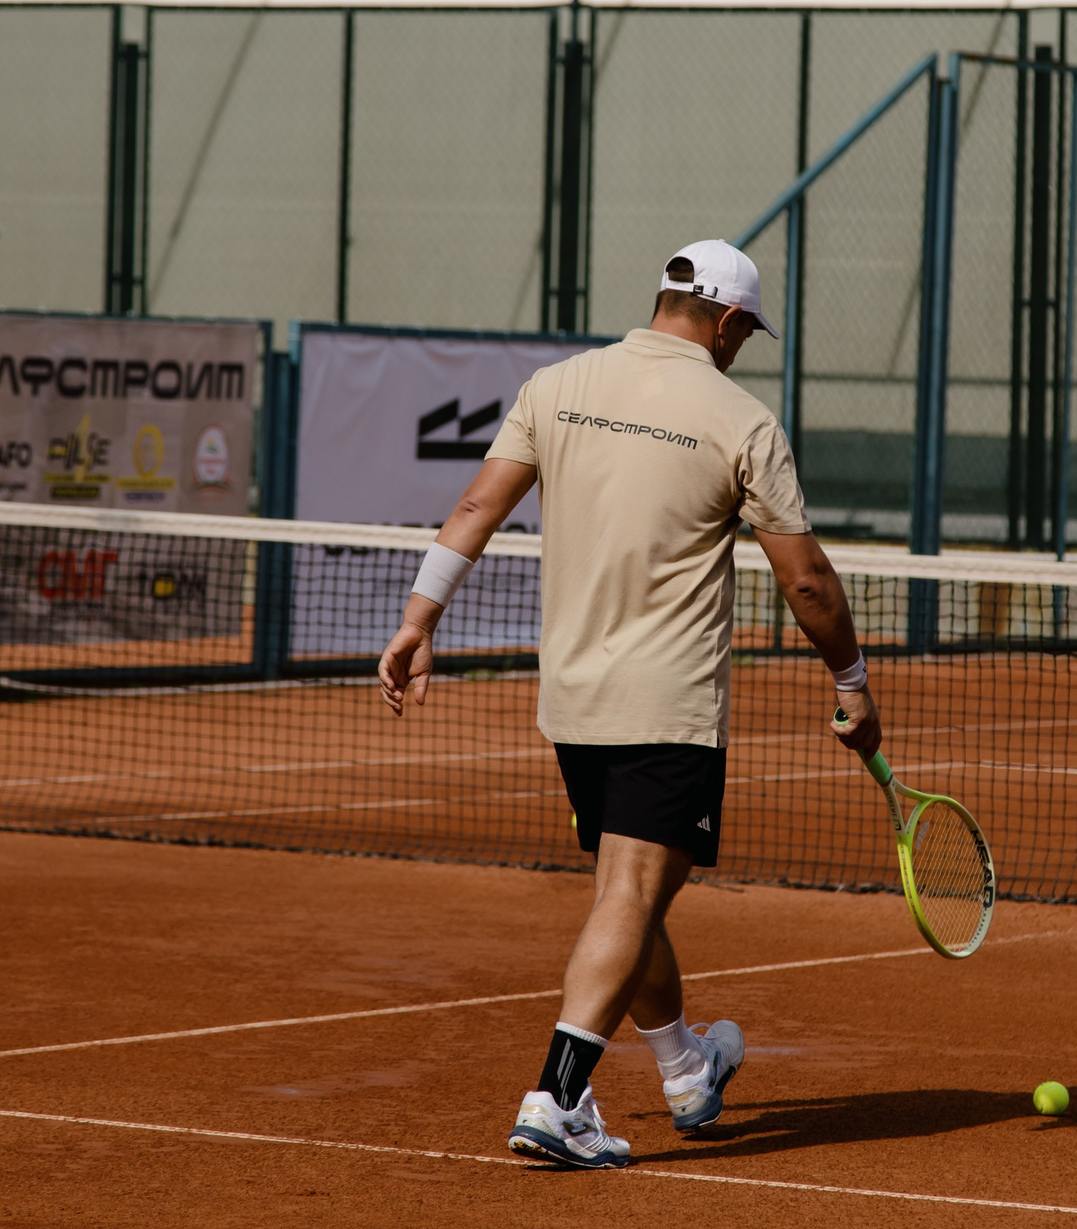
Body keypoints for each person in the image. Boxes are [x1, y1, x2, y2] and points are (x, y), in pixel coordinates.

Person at [376, 239, 882, 1170]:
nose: (741, 348)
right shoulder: (742, 418)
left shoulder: (555, 386)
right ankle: (557, 1098)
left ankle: (687, 1069)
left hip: (572, 699)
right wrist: (851, 682)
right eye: (744, 334)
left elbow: (474, 507)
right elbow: (807, 582)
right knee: (631, 892)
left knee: (628, 892)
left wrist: (418, 619)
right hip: (668, 701)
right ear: (727, 322)